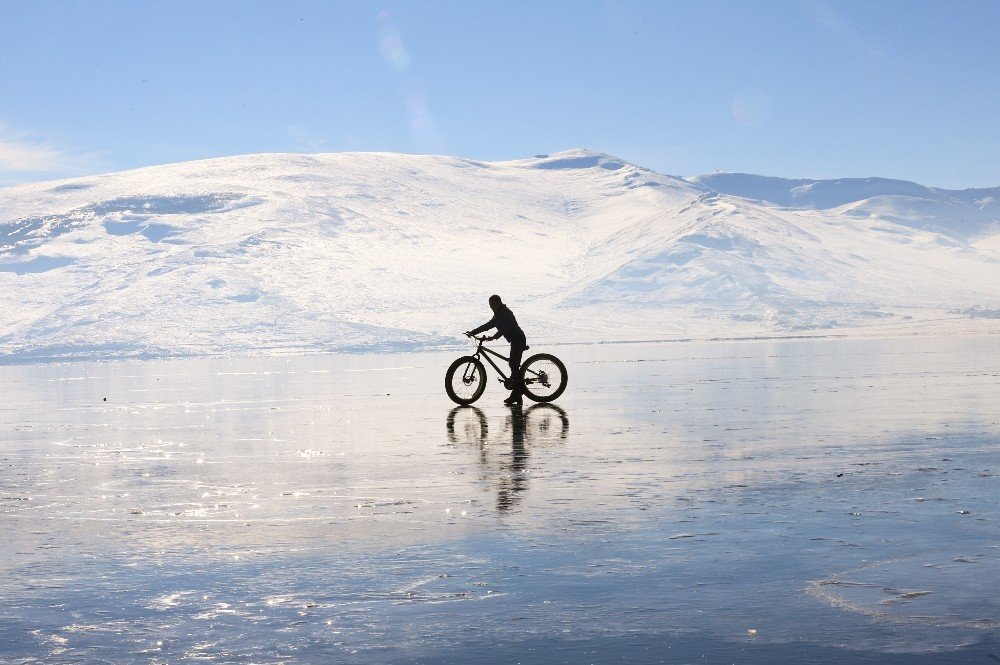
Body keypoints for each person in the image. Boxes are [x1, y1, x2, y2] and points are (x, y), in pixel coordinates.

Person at [465, 295, 528, 405]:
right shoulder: (497, 316)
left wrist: (494, 337)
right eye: (490, 305)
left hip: (518, 339)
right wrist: (473, 332)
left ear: (499, 302)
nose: (491, 307)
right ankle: (518, 396)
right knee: (513, 364)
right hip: (515, 340)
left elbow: (505, 327)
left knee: (513, 365)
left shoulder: (506, 313)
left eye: (493, 304)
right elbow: (487, 326)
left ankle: (518, 391)